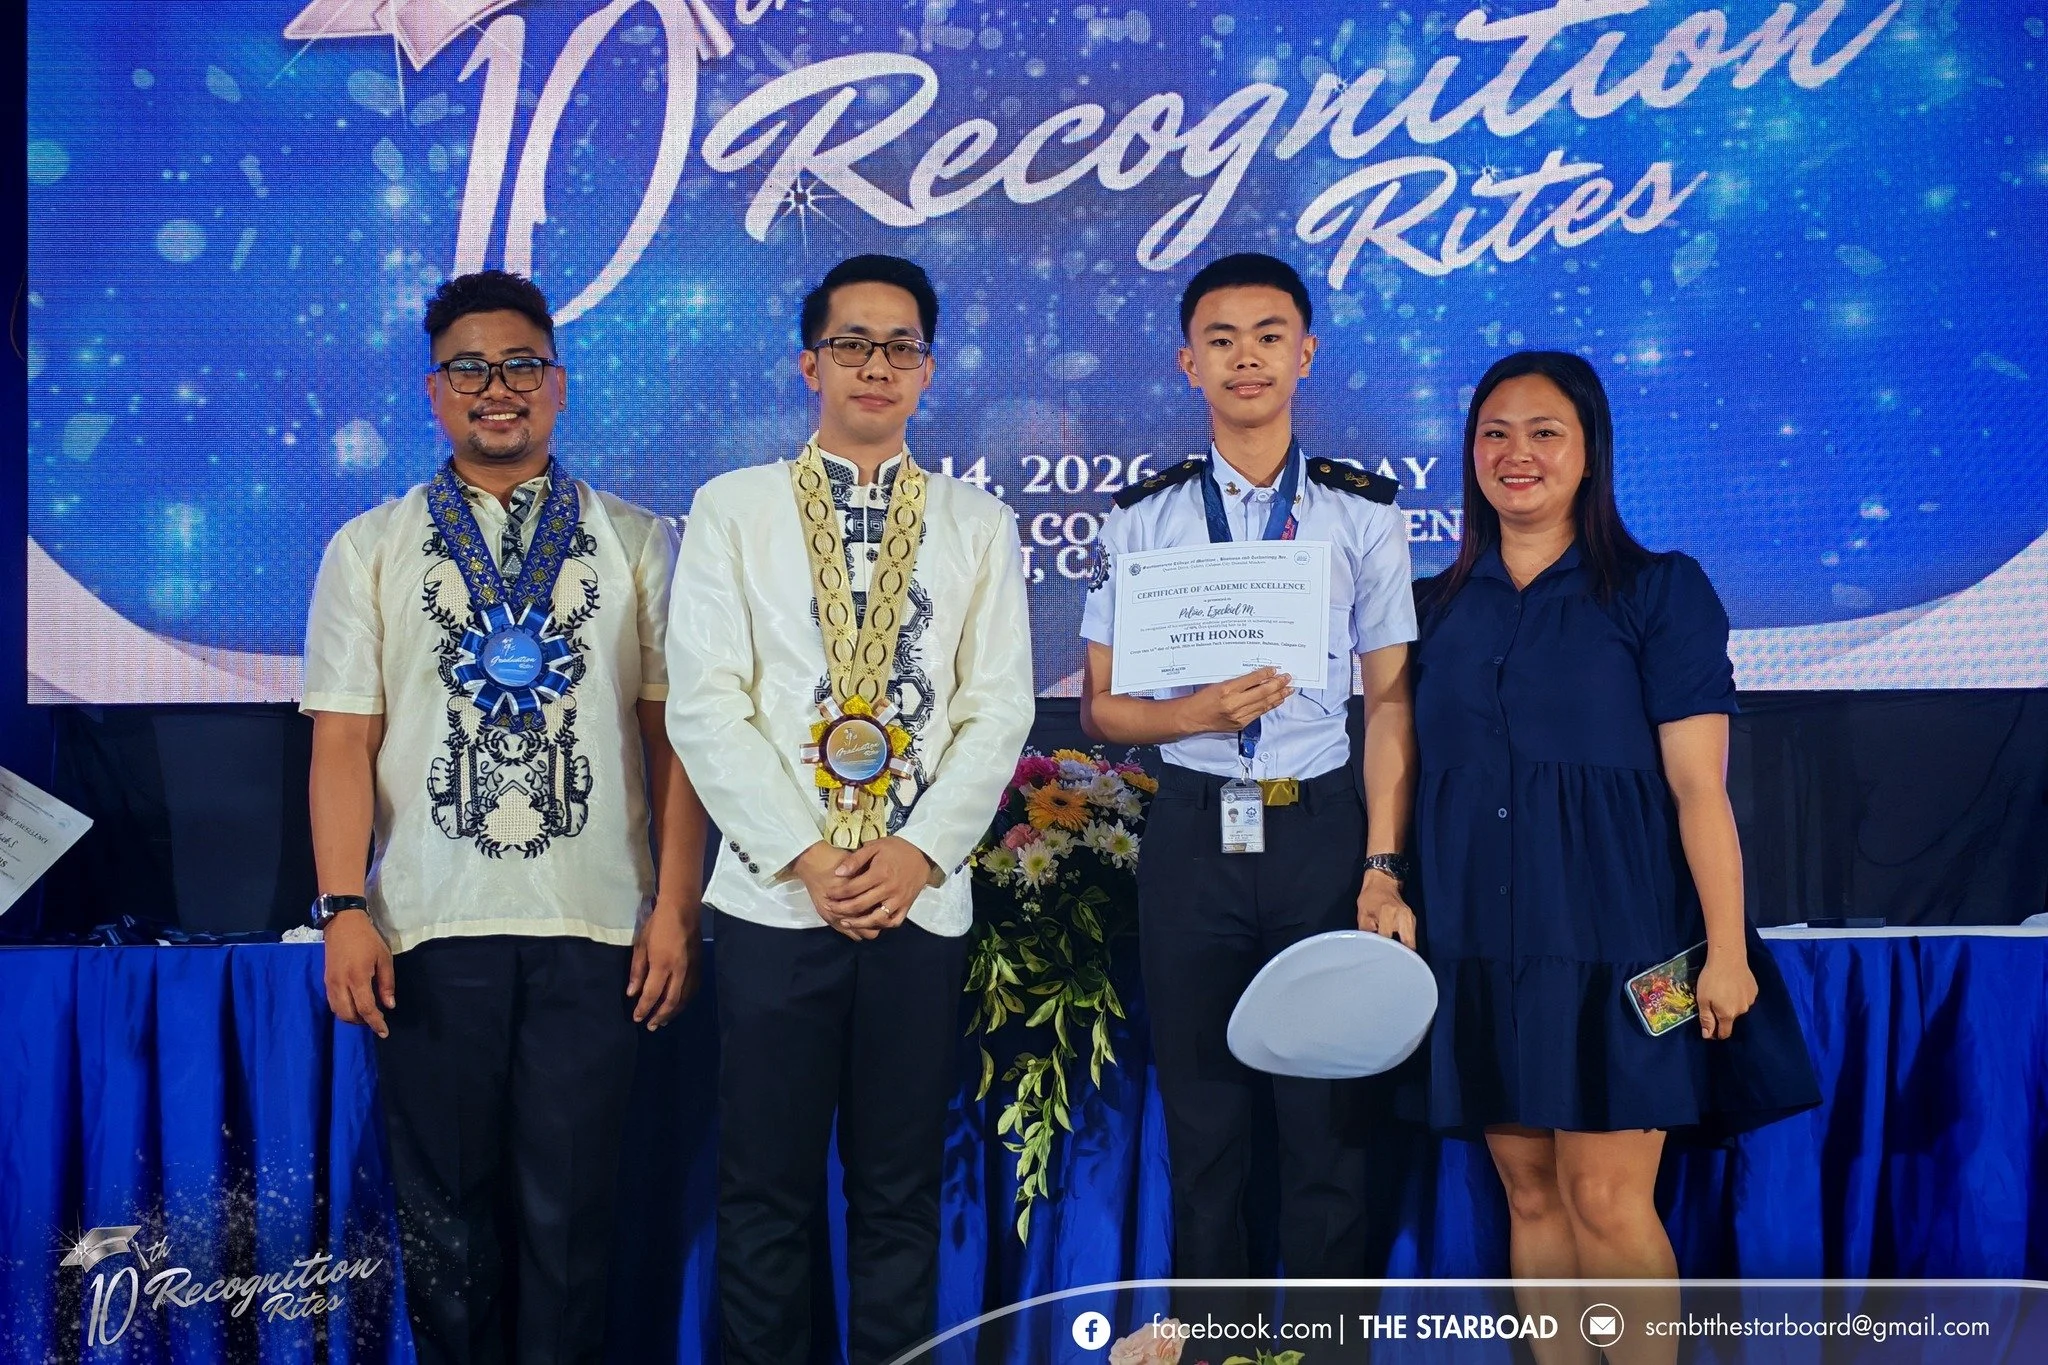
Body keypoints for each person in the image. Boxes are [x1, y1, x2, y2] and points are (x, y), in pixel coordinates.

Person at [305, 270, 706, 1365]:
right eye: (469, 368)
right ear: (434, 392)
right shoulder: (371, 546)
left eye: (521, 364)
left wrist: (675, 906)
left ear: (558, 384)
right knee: (446, 1228)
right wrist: (344, 906)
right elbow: (340, 742)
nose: (498, 387)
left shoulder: (635, 541)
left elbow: (675, 744)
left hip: (599, 927)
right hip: (426, 927)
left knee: (574, 1224)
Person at [1411, 350, 1820, 1362]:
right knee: (1531, 1194)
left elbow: (1699, 789)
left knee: (1604, 1195)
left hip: (1631, 946)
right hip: (1480, 941)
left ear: (1589, 452)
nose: (1516, 453)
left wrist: (1725, 951)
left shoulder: (1657, 589)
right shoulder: (1431, 607)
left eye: (1544, 432)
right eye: (1494, 433)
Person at [664, 254, 1034, 1365]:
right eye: (852, 344)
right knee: (764, 1190)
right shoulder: (733, 508)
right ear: (809, 364)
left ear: (928, 370)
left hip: (919, 905)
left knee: (898, 1191)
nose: (876, 365)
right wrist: (805, 854)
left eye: (900, 347)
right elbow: (705, 702)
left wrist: (918, 852)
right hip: (779, 901)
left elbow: (998, 708)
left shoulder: (978, 522)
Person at [1078, 252, 1420, 1282]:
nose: (1246, 358)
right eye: (1220, 340)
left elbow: (1390, 703)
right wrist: (1191, 713)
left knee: (1328, 1117)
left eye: (1269, 336)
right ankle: (1213, 1343)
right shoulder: (1143, 516)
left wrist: (1381, 864)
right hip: (1193, 827)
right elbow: (1101, 707)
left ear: (1304, 353)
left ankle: (1324, 1349)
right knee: (1202, 1116)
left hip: (1318, 827)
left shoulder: (1362, 513)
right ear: (1188, 363)